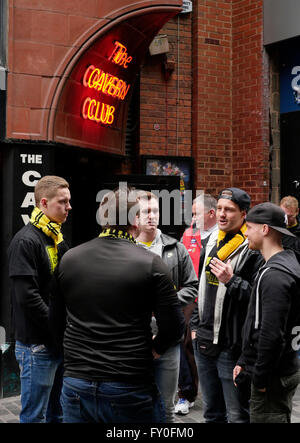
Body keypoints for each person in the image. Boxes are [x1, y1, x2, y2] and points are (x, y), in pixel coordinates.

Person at [50, 186, 185, 423]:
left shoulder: (70, 258)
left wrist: (76, 358)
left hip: (77, 383)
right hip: (127, 384)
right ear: (135, 220)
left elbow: (55, 321)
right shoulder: (151, 264)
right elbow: (174, 327)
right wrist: (157, 348)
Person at [194, 187, 264, 423]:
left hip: (230, 346)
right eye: (220, 209)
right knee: (211, 414)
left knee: (237, 416)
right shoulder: (213, 240)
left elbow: (258, 300)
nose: (222, 214)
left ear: (244, 214)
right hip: (203, 340)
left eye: (230, 210)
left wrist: (231, 280)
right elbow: (200, 287)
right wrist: (195, 326)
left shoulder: (253, 248)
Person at [7, 175, 71, 423]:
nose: (68, 207)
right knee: (35, 416)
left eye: (69, 201)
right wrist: (56, 327)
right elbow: (27, 297)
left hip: (57, 342)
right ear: (43, 203)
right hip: (37, 345)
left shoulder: (56, 237)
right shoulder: (26, 241)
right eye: (62, 202)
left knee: (59, 413)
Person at [234, 202, 300, 423]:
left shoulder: (274, 275)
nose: (246, 233)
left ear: (264, 229)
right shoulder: (289, 262)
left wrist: (259, 379)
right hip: (286, 367)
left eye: (249, 227)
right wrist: (244, 359)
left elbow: (271, 334)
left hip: (273, 376)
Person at [136, 190, 198, 423]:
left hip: (168, 338)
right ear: (135, 216)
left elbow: (192, 286)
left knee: (165, 408)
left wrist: (165, 304)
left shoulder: (176, 248)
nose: (151, 216)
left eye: (155, 211)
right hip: (135, 338)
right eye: (146, 212)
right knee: (137, 404)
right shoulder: (126, 248)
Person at [175, 194, 218, 415]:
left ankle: (218, 396)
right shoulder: (188, 233)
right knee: (186, 345)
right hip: (191, 299)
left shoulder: (223, 236)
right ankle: (186, 394)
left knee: (211, 346)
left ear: (211, 213)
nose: (192, 218)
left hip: (214, 299)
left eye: (195, 213)